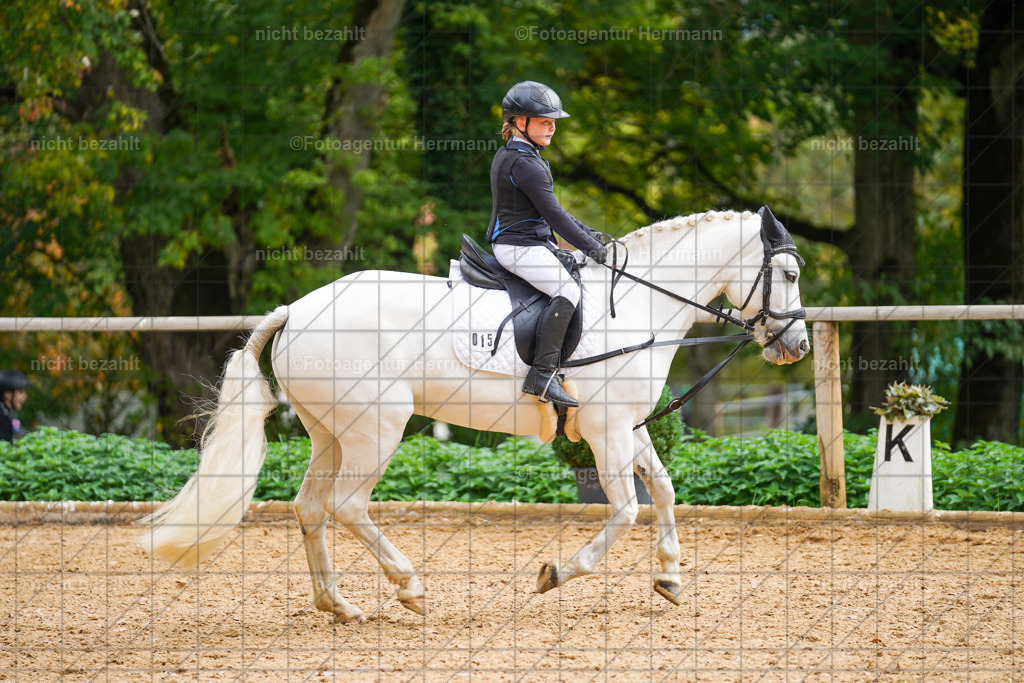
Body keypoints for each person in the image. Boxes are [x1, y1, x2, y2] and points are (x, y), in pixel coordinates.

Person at [486, 81, 608, 408]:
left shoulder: (522, 154)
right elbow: (554, 216)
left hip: (528, 243)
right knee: (567, 291)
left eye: (554, 121)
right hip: (518, 247)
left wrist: (591, 235)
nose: (553, 127)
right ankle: (541, 375)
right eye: (544, 121)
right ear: (519, 123)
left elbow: (552, 211)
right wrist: (593, 249)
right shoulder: (524, 163)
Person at [0, 369, 29, 443]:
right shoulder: (2, 417)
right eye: (20, 392)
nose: (25, 396)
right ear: (8, 394)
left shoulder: (7, 413)